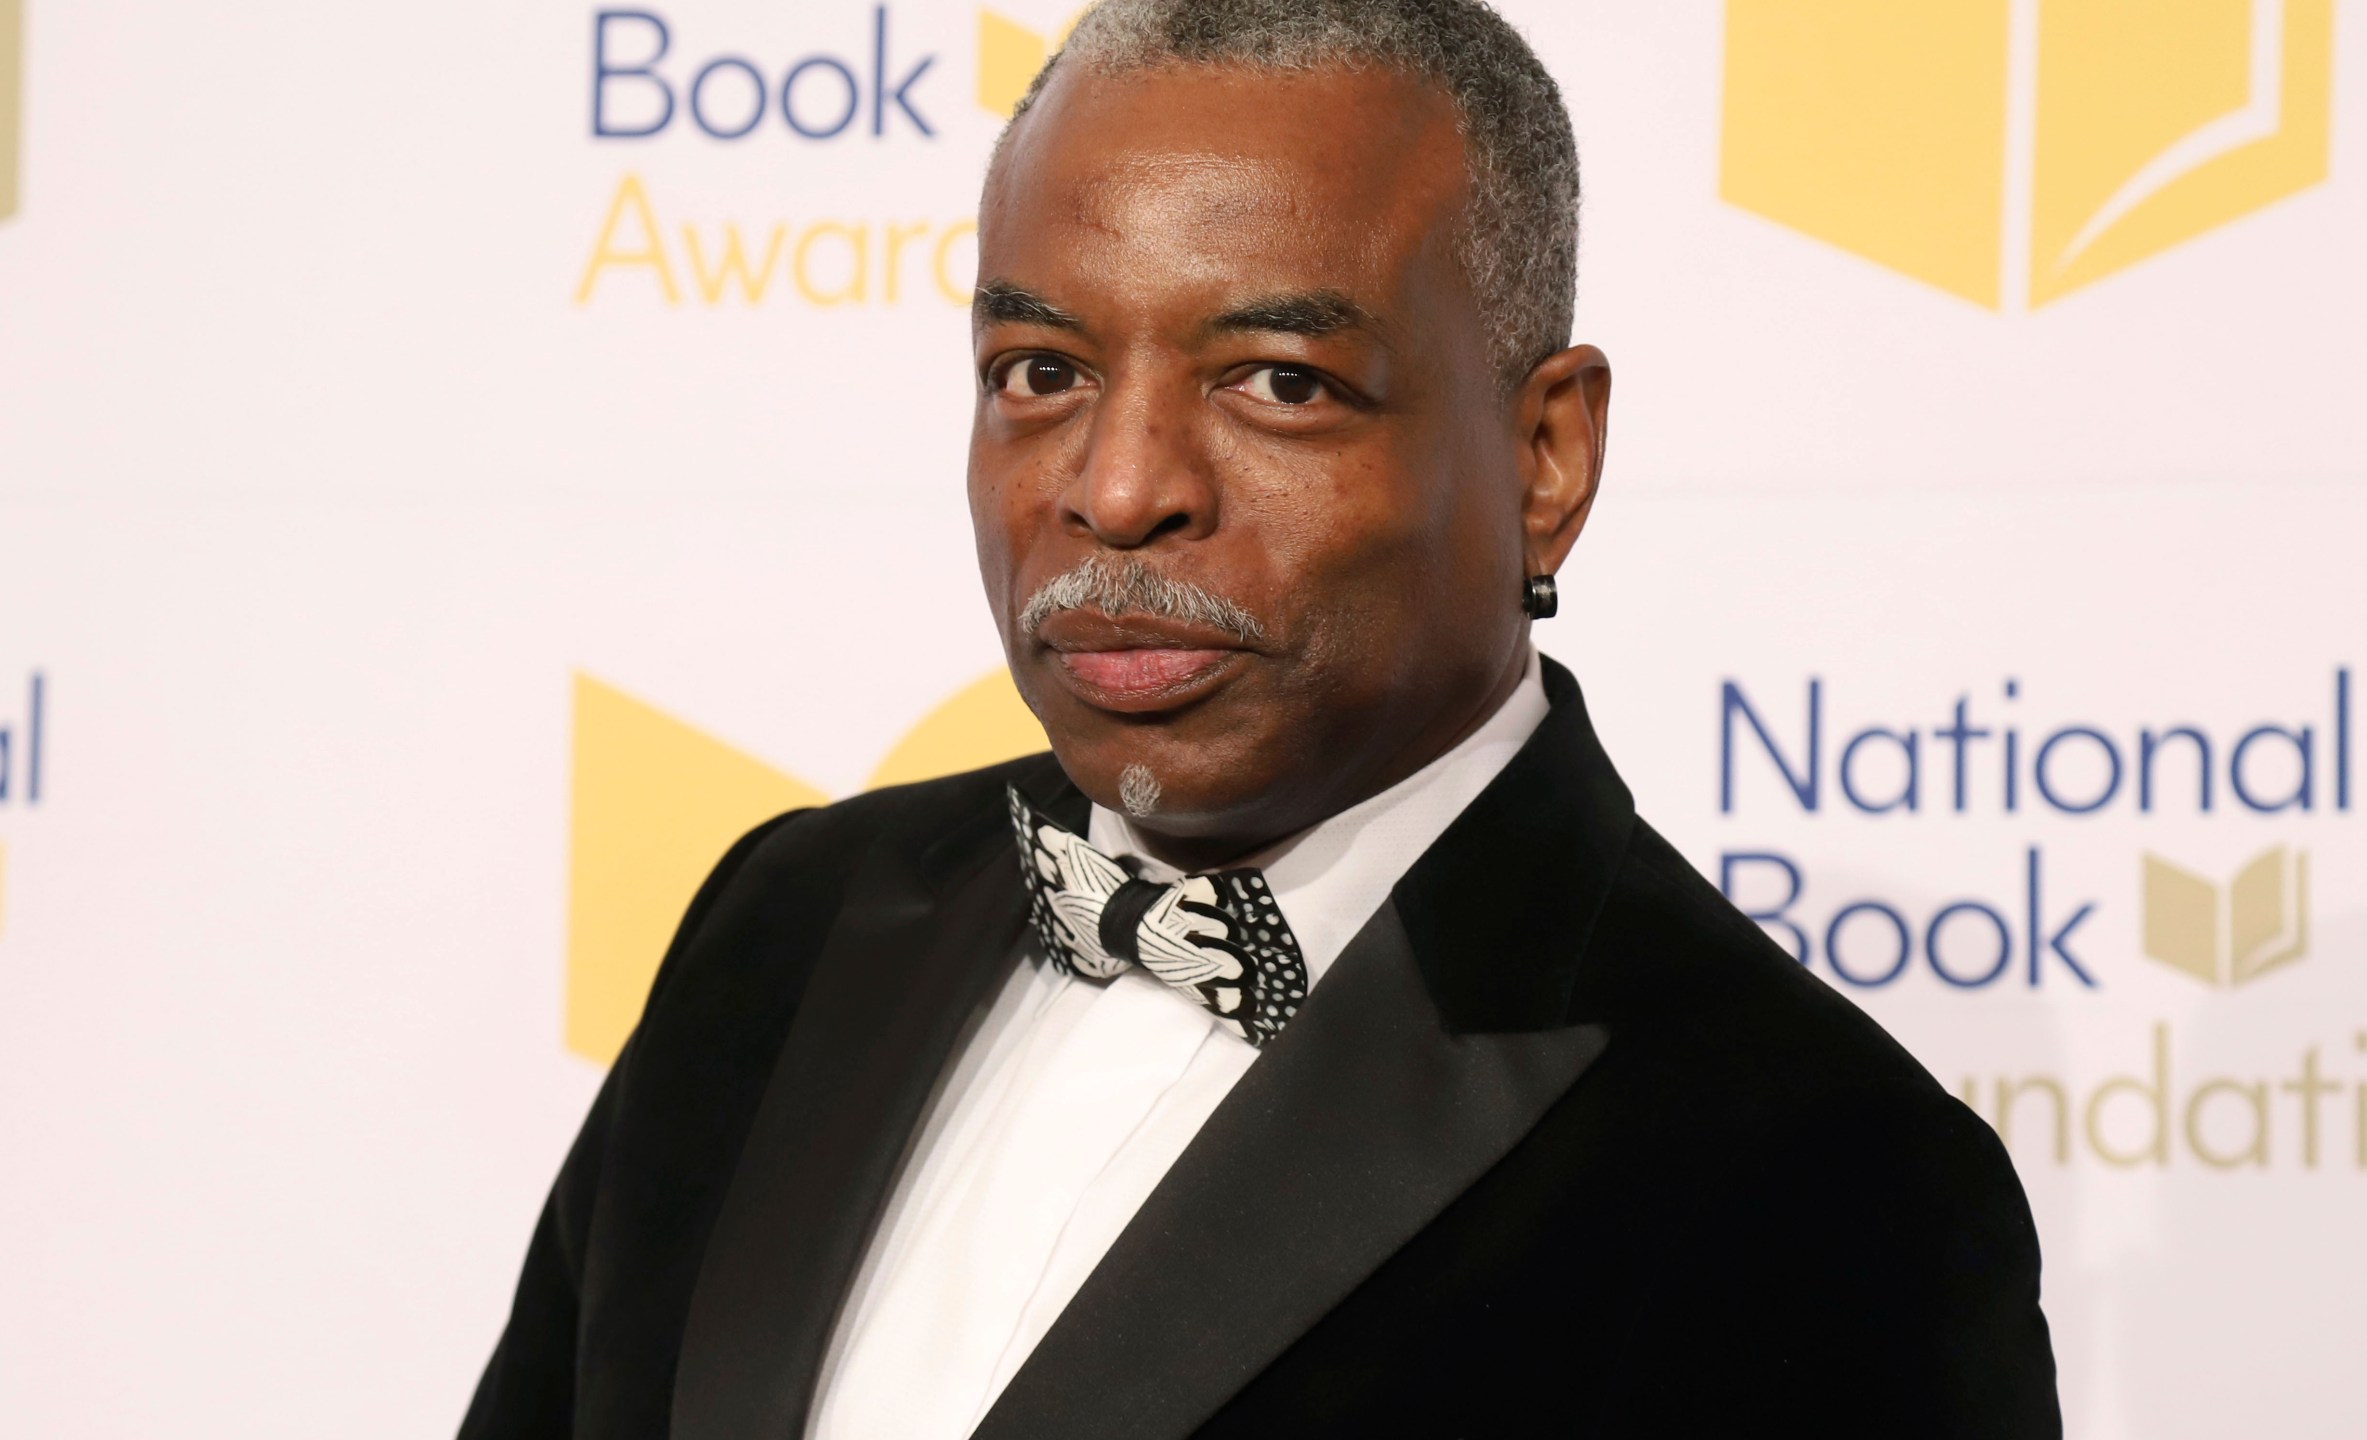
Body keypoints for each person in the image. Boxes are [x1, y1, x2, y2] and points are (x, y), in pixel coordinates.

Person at [461, 1, 2062, 1435]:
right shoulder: (785, 927)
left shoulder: (1818, 1183)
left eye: (1279, 382)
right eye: (1039, 371)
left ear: (1546, 460)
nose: (1119, 487)